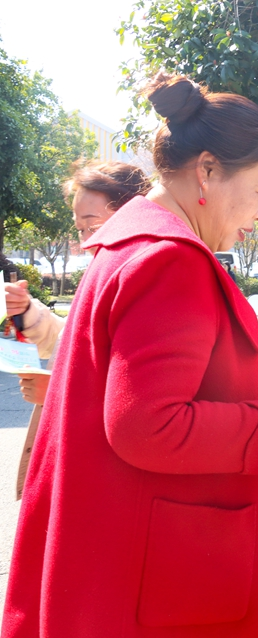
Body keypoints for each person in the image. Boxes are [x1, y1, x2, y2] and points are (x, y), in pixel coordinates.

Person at [0, 73, 258, 638]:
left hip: (114, 557)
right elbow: (145, 424)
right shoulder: (169, 261)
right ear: (206, 171)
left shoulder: (129, 247)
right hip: (149, 594)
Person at [4, 161, 152, 499]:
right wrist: (26, 311)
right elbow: (71, 340)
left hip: (106, 480)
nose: (86, 241)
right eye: (80, 229)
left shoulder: (145, 273)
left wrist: (57, 392)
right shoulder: (105, 267)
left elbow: (137, 402)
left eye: (93, 225)